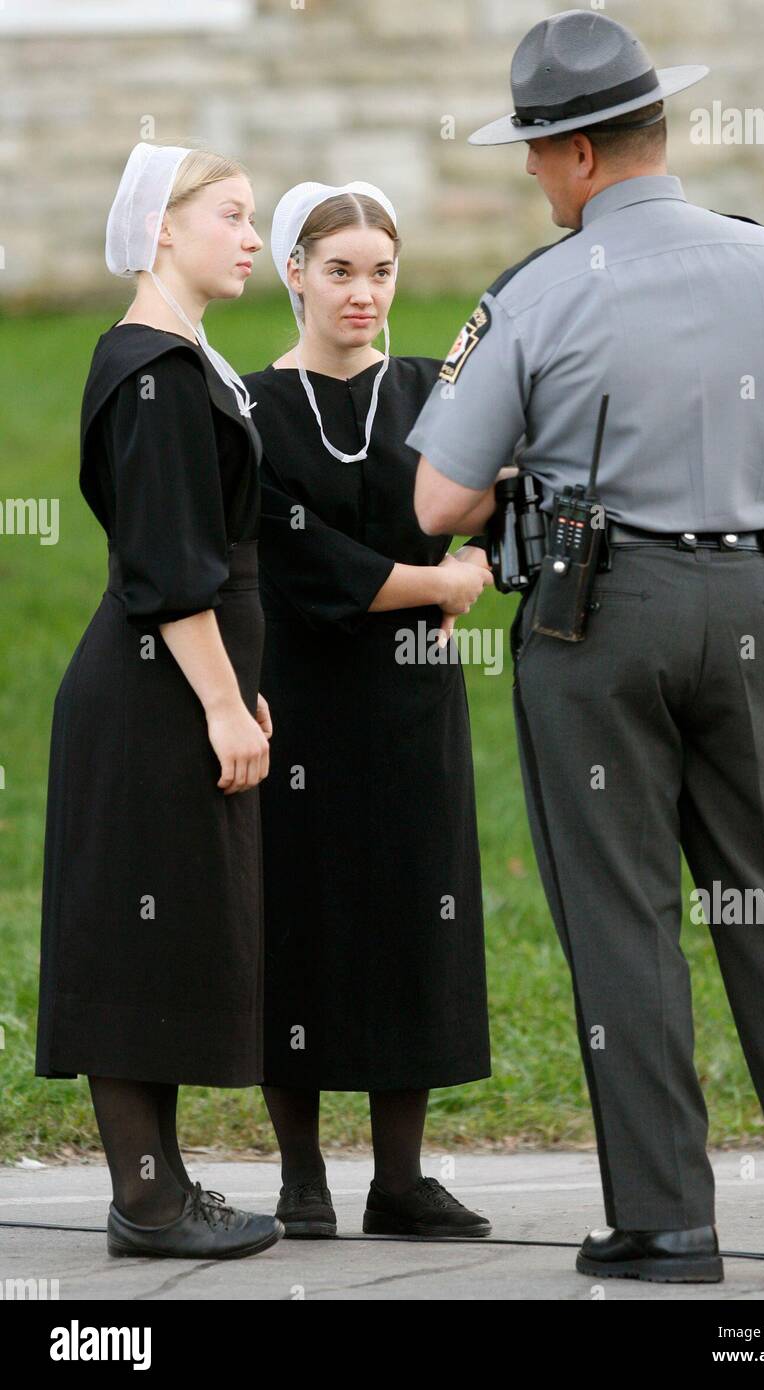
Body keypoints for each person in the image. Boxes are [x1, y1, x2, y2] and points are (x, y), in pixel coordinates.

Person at [409, 9, 764, 1283]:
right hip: (753, 610)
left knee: (623, 915)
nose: (528, 171)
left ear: (574, 155)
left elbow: (437, 508)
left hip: (595, 617)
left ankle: (670, 1222)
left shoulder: (534, 291)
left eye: (532, 149)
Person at [34, 142, 284, 1260]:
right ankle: (146, 1196)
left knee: (173, 930)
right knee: (134, 942)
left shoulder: (182, 360)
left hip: (175, 679)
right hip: (153, 689)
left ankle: (164, 1185)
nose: (250, 236)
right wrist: (225, 706)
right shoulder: (153, 373)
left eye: (254, 217)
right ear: (162, 229)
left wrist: (241, 691)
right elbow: (169, 561)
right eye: (231, 214)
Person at [242, 180, 493, 1239]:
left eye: (380, 272)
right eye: (339, 269)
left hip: (407, 704)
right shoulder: (249, 405)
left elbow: (507, 491)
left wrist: (479, 557)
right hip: (296, 695)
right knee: (297, 920)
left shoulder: (437, 390)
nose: (362, 293)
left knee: (412, 918)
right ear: (294, 271)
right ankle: (302, 1177)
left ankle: (400, 1176)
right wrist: (434, 583)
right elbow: (288, 554)